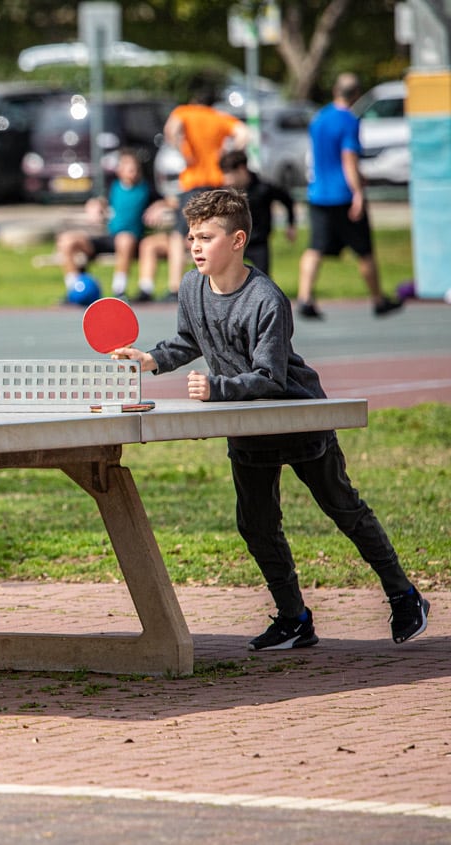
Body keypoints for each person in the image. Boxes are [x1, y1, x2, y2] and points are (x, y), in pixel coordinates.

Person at [111, 189, 429, 651]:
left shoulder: (267, 300)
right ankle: (294, 617)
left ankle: (404, 595)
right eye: (191, 236)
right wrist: (150, 360)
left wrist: (217, 389)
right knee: (257, 525)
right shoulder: (191, 288)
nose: (195, 246)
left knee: (343, 510)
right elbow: (187, 341)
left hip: (299, 420)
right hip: (249, 427)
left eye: (206, 237)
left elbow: (270, 377)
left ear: (238, 240)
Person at [296, 72, 402, 319]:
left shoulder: (319, 118)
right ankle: (378, 299)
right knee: (364, 249)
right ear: (356, 94)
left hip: (318, 193)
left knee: (315, 247)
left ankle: (305, 297)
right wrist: (358, 193)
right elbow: (348, 159)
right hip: (342, 194)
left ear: (335, 90)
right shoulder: (349, 121)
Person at [161, 76, 248, 300]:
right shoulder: (219, 118)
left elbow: (172, 130)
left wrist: (183, 150)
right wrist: (228, 154)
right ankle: (207, 283)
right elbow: (244, 134)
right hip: (216, 183)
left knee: (183, 234)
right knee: (210, 235)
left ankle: (175, 286)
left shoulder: (185, 112)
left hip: (192, 181)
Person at [55, 149, 158, 300]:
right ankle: (75, 290)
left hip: (132, 241)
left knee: (125, 239)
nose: (132, 172)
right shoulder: (113, 187)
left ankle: (119, 290)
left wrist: (160, 206)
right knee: (67, 241)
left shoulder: (145, 189)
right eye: (127, 168)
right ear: (120, 170)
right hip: (109, 237)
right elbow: (100, 201)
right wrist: (95, 205)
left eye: (134, 168)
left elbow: (169, 200)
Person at [219, 148, 296, 277]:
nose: (226, 180)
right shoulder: (224, 191)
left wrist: (291, 224)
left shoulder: (263, 188)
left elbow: (287, 199)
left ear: (242, 169)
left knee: (263, 279)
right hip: (232, 242)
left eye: (230, 174)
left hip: (258, 242)